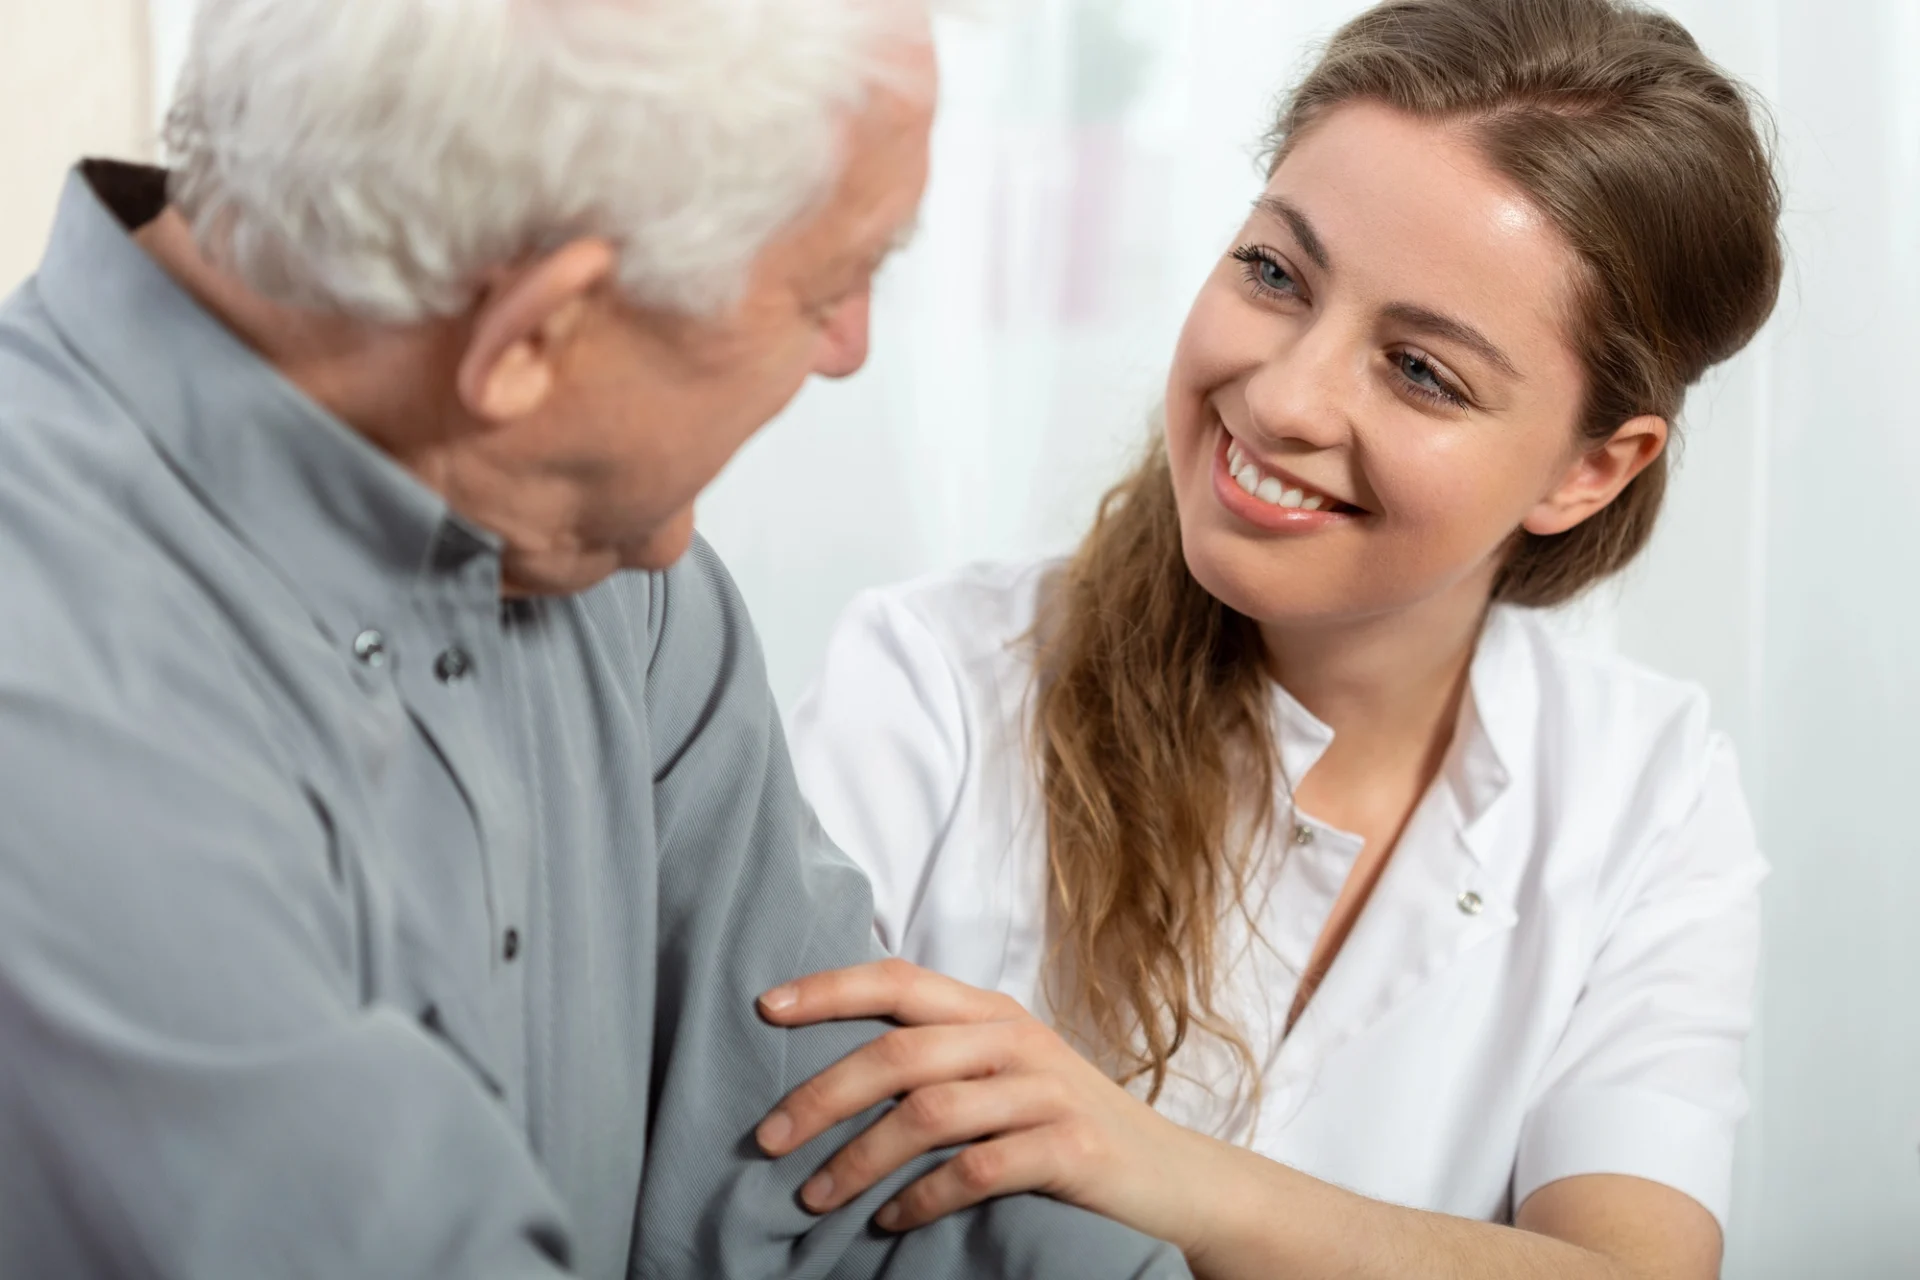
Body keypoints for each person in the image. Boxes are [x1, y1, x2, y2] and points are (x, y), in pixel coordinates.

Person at [0, 2, 1195, 1277]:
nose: (850, 350)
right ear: (534, 337)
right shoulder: (54, 694)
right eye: (828, 285)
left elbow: (859, 1161)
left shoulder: (610, 567)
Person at [762, 1, 1784, 1277]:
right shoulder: (928, 684)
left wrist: (1157, 1167)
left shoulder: (1649, 791)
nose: (1285, 395)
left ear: (1591, 468)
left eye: (1421, 370)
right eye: (1274, 273)